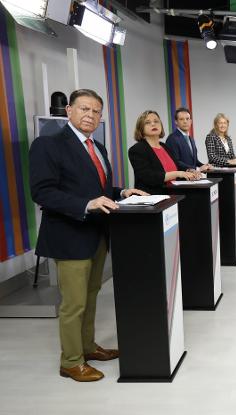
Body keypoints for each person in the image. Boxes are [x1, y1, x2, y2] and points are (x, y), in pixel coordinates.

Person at [29, 89, 146, 382]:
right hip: (69, 236)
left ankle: (87, 347)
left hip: (96, 235)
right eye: (84, 109)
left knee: (91, 297)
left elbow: (99, 189)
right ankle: (70, 361)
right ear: (68, 110)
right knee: (74, 303)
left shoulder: (98, 148)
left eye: (95, 111)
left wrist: (121, 192)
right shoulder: (48, 145)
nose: (89, 116)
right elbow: (42, 192)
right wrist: (86, 204)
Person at [129, 110, 200, 195]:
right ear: (141, 128)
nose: (153, 124)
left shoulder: (164, 146)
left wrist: (189, 170)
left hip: (174, 195)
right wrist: (178, 173)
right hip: (152, 198)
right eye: (148, 122)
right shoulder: (137, 149)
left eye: (156, 121)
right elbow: (149, 177)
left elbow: (176, 165)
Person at [165, 107, 212, 172]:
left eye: (187, 119)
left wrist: (205, 166)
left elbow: (195, 161)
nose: (185, 121)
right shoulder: (172, 139)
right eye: (181, 119)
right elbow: (175, 162)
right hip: (180, 179)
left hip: (193, 178)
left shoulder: (191, 139)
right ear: (176, 122)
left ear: (191, 121)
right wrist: (197, 169)